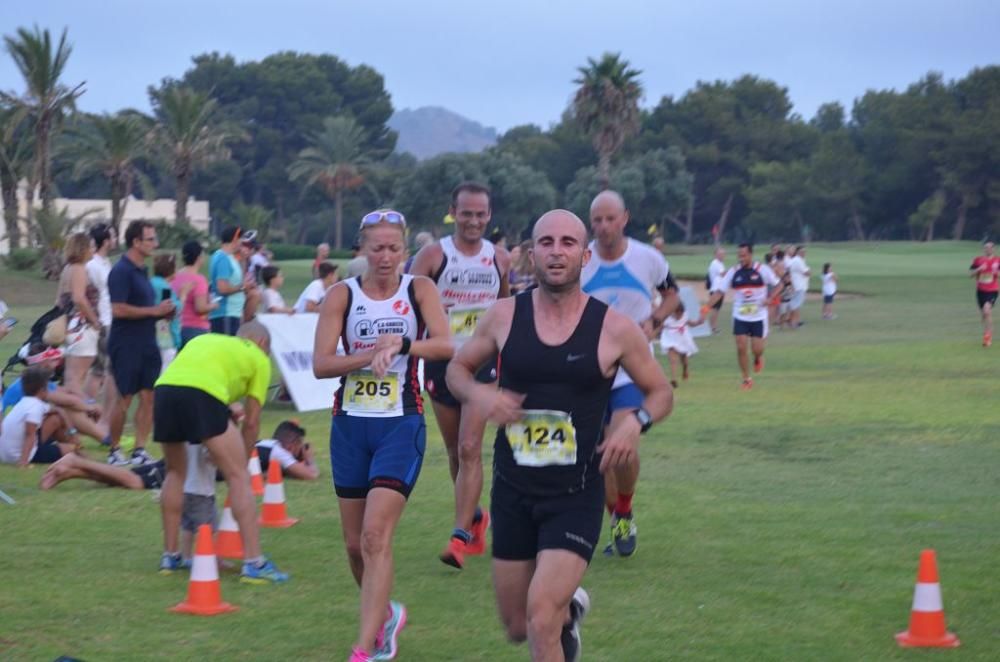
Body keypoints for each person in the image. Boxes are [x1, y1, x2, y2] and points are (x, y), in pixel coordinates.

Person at [447, 209, 672, 662]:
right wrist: (479, 396)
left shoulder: (613, 328)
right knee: (517, 625)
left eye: (568, 243)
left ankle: (556, 616)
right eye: (546, 243)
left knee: (539, 617)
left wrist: (635, 422)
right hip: (513, 490)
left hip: (575, 493)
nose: (556, 251)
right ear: (532, 255)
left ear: (584, 256)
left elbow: (661, 391)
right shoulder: (504, 316)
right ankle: (570, 613)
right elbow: (457, 369)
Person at [313, 209, 453, 662]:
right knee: (355, 546)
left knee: (376, 536)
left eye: (395, 248)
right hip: (350, 426)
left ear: (405, 251)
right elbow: (320, 364)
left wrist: (402, 345)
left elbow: (446, 345)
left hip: (400, 424)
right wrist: (369, 353)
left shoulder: (420, 290)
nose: (387, 256)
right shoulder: (342, 295)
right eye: (378, 248)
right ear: (363, 250)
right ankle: (386, 616)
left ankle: (365, 648)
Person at [407, 181, 512, 570]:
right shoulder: (433, 255)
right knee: (455, 451)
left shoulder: (499, 258)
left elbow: (506, 308)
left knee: (470, 448)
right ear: (453, 212)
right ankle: (476, 518)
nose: (473, 221)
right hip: (441, 361)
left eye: (480, 214)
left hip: (483, 362)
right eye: (465, 213)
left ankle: (459, 536)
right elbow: (409, 301)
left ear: (489, 215)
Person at [581, 190, 679, 558]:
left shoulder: (648, 258)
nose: (604, 226)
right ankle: (617, 514)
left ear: (625, 218)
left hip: (630, 372)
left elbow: (672, 295)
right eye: (598, 220)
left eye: (611, 218)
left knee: (621, 446)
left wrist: (654, 319)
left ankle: (623, 509)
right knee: (596, 460)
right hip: (586, 372)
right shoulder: (582, 260)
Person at [153, 321, 288, 583]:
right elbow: (251, 421)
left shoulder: (207, 341)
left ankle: (171, 556)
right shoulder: (259, 358)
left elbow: (197, 379)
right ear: (261, 344)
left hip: (165, 389)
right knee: (239, 477)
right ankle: (254, 562)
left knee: (175, 472)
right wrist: (243, 456)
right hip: (201, 393)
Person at [107, 221, 174, 465]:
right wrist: (153, 311)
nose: (155, 244)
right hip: (126, 343)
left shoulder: (142, 271)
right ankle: (114, 451)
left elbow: (145, 309)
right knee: (124, 398)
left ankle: (139, 450)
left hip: (148, 341)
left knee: (149, 396)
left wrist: (161, 313)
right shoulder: (121, 271)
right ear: (136, 242)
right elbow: (118, 309)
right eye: (150, 239)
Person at [703, 243, 782, 390]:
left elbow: (779, 285)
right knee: (741, 347)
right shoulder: (733, 272)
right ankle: (746, 379)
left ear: (751, 255)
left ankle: (758, 358)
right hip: (740, 315)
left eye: (744, 255)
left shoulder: (762, 270)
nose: (741, 258)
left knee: (757, 349)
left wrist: (770, 298)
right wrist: (705, 309)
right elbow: (719, 292)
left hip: (758, 316)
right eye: (739, 255)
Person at [0, 366, 78, 466]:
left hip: (6, 452)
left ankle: (72, 445)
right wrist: (23, 462)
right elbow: (30, 435)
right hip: (20, 454)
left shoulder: (25, 402)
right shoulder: (34, 408)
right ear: (43, 390)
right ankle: (76, 450)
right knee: (72, 450)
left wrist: (72, 432)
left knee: (55, 419)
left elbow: (59, 411)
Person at [57, 232, 102, 396]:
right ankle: (83, 413)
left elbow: (59, 301)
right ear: (83, 248)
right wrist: (95, 321)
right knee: (76, 379)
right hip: (81, 329)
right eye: (91, 247)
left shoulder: (68, 269)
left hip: (71, 328)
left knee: (71, 377)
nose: (93, 250)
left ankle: (71, 417)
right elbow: (79, 298)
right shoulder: (79, 269)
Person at [84, 223, 115, 406]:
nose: (115, 240)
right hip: (103, 319)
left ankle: (95, 406)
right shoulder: (93, 265)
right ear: (105, 241)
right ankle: (88, 405)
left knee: (106, 368)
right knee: (100, 368)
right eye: (112, 237)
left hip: (110, 317)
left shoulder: (105, 263)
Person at [171, 241, 217, 348]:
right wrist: (213, 305)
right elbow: (200, 308)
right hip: (195, 329)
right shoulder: (199, 280)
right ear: (199, 257)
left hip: (177, 327)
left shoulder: (175, 276)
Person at [208, 225, 247, 335]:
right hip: (225, 314)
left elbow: (240, 281)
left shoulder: (230, 257)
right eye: (241, 238)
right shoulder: (222, 258)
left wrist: (243, 261)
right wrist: (242, 287)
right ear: (235, 238)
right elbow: (222, 288)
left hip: (233, 313)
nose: (242, 242)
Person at [150, 254, 184, 371]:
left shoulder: (152, 282)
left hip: (152, 332)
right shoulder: (164, 288)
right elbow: (170, 310)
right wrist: (182, 296)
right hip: (165, 334)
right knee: (165, 368)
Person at [255, 420, 319, 480]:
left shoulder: (267, 444)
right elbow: (312, 475)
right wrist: (310, 459)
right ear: (291, 446)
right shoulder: (278, 452)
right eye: (300, 444)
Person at [659, 302, 702, 387]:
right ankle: (673, 379)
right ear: (673, 312)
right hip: (670, 338)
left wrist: (698, 322)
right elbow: (659, 327)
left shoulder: (685, 316)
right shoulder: (666, 318)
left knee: (684, 359)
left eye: (681, 313)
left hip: (682, 338)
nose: (679, 316)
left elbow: (691, 324)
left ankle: (685, 369)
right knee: (673, 359)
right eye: (677, 314)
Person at [970, 241, 999, 347]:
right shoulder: (978, 260)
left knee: (987, 311)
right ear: (984, 249)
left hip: (992, 290)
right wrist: (978, 269)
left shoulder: (998, 260)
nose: (987, 249)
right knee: (984, 315)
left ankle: (988, 337)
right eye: (986, 247)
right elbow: (970, 275)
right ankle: (986, 333)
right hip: (980, 291)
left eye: (990, 247)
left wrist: (995, 272)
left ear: (993, 249)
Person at [787, 245, 811, 328]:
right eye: (802, 252)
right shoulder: (798, 261)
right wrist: (809, 270)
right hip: (799, 285)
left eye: (804, 252)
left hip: (797, 284)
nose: (804, 253)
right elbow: (807, 273)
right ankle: (794, 322)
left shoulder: (795, 260)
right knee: (795, 305)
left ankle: (793, 321)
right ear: (797, 252)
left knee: (795, 304)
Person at [706, 247, 726, 333]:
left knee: (716, 309)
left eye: (723, 254)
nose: (722, 256)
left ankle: (713, 326)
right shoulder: (716, 263)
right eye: (720, 254)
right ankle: (711, 327)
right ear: (715, 255)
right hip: (716, 290)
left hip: (720, 290)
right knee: (712, 308)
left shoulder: (720, 264)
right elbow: (723, 274)